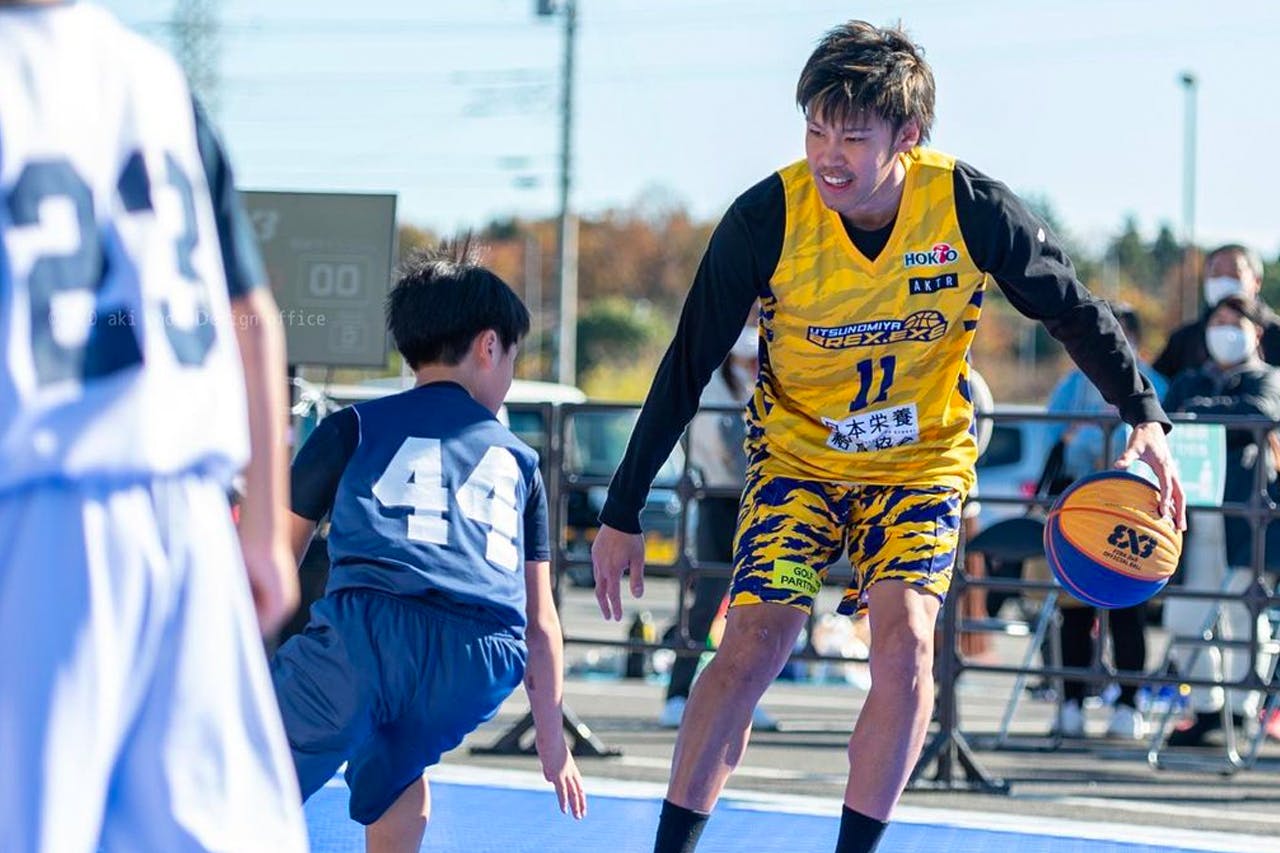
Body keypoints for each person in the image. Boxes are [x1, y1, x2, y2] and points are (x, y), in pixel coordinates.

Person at [589, 21, 1186, 853]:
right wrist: (622, 510)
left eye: (853, 137)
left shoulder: (968, 207)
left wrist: (1144, 416)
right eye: (815, 131)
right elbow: (687, 362)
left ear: (908, 134)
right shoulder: (768, 218)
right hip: (799, 463)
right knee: (755, 639)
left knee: (906, 647)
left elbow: (1073, 311)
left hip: (919, 466)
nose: (828, 155)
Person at [0, 3, 306, 850]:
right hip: (189, 512)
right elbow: (253, 316)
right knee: (208, 827)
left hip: (42, 502)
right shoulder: (154, 77)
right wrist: (263, 527)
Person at [271, 242, 587, 852]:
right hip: (481, 658)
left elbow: (273, 560)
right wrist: (552, 741)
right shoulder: (521, 462)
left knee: (251, 769)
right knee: (396, 768)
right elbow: (541, 621)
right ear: (489, 346)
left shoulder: (352, 426)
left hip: (369, 633)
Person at [1044, 303, 1168, 740]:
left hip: (1134, 508)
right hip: (1081, 505)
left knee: (1128, 609)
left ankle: (1129, 703)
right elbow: (1051, 436)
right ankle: (1072, 700)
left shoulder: (1155, 384)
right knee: (1074, 609)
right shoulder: (1072, 384)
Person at [1161, 295, 1280, 747]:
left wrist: (1199, 416)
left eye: (1235, 322)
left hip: (1244, 516)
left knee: (1244, 614)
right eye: (1218, 322)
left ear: (1256, 333)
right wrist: (1209, 416)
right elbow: (1167, 418)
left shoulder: (1267, 378)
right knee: (1185, 613)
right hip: (1191, 515)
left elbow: (1261, 413)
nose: (1224, 330)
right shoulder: (1189, 379)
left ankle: (1242, 708)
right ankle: (1206, 709)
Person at [660, 325, 778, 731]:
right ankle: (677, 693)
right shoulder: (717, 388)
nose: (754, 364)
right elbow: (726, 448)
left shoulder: (748, 384)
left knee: (755, 604)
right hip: (722, 499)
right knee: (708, 599)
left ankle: (745, 694)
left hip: (750, 500)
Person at [1153, 244, 1280, 380]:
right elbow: (1157, 385)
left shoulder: (1276, 335)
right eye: (1216, 274)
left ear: (1257, 282)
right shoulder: (1184, 339)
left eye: (1234, 274)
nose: (1224, 280)